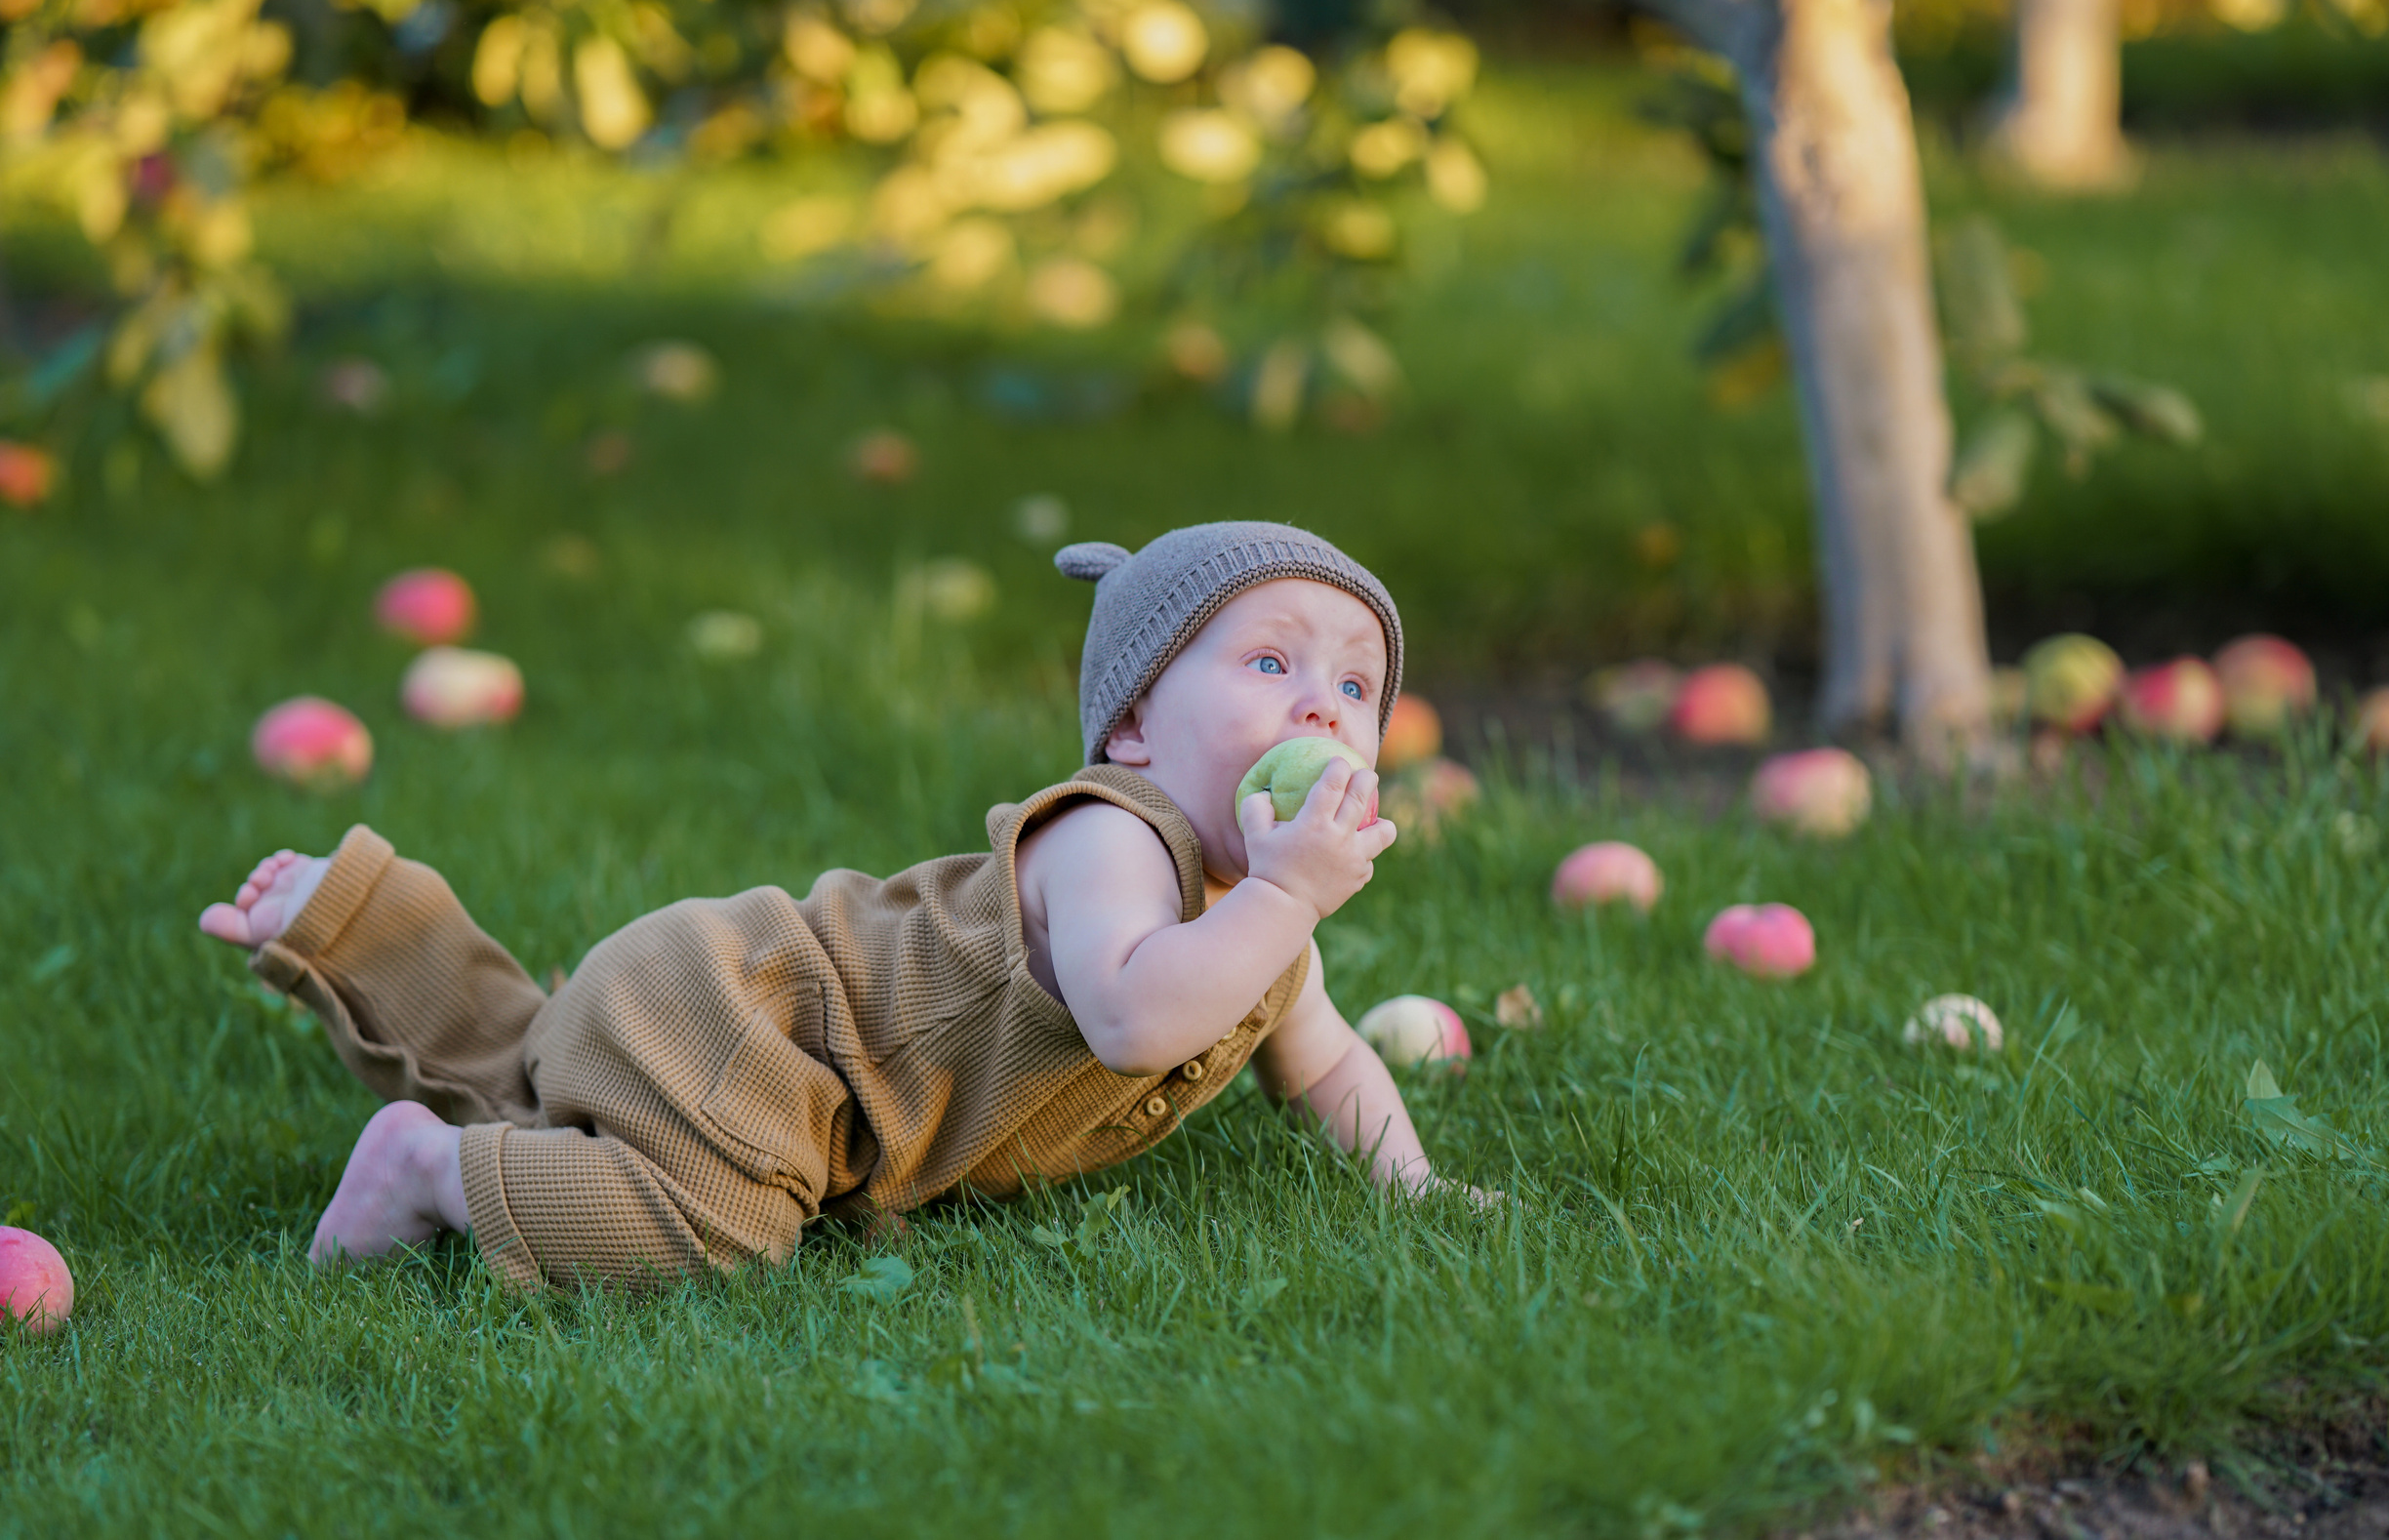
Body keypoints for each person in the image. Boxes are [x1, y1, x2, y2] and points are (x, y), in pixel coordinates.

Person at [200, 521, 1481, 1288]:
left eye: (1356, 687)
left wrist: (1414, 1189)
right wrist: (1289, 896)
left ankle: (364, 922)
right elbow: (1138, 1016)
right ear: (1136, 722)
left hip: (752, 1034)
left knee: (542, 1071)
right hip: (760, 1021)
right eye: (1270, 662)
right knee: (716, 1231)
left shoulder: (1254, 918)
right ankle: (436, 1176)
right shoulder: (1112, 840)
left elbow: (1325, 1062)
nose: (1323, 704)